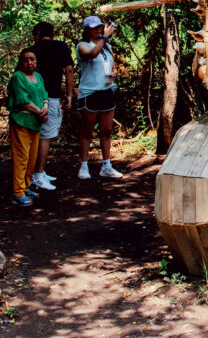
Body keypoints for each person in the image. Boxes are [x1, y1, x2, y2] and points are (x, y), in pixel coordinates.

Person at [76, 15, 123, 180]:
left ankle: (107, 166)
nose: (97, 29)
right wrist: (105, 36)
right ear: (87, 29)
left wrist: (111, 77)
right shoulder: (82, 46)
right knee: (87, 132)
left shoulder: (106, 47)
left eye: (100, 27)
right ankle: (83, 166)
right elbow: (92, 54)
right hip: (89, 94)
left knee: (106, 131)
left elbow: (105, 70)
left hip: (106, 93)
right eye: (94, 27)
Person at [30, 21, 74, 191]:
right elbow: (69, 70)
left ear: (38, 33)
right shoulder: (61, 47)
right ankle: (38, 174)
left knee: (37, 134)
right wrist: (69, 95)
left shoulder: (32, 50)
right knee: (46, 136)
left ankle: (37, 172)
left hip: (33, 97)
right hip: (52, 96)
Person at [8, 48, 49, 206]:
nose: (29, 62)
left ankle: (25, 187)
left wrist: (45, 106)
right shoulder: (18, 77)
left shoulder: (37, 76)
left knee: (32, 157)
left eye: (32, 59)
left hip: (36, 122)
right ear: (21, 62)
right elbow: (22, 100)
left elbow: (44, 93)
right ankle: (18, 192)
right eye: (26, 60)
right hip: (22, 121)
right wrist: (40, 112)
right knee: (21, 157)